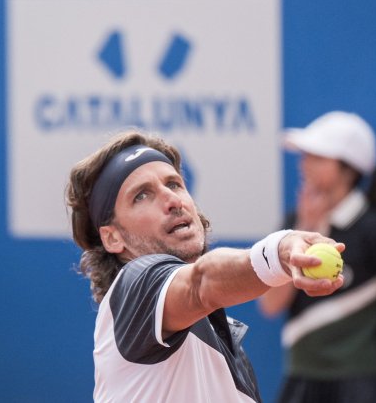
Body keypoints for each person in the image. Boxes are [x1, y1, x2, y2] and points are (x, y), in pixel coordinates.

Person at [65, 129, 345, 402]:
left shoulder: (224, 345)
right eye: (142, 195)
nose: (172, 200)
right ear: (113, 237)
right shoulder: (131, 290)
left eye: (174, 184)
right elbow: (201, 283)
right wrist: (279, 251)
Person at [258, 111, 376, 403]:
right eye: (305, 155)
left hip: (361, 386)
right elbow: (271, 305)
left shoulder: (373, 230)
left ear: (348, 170)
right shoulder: (292, 226)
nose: (304, 164)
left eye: (317, 157)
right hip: (300, 384)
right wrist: (306, 227)